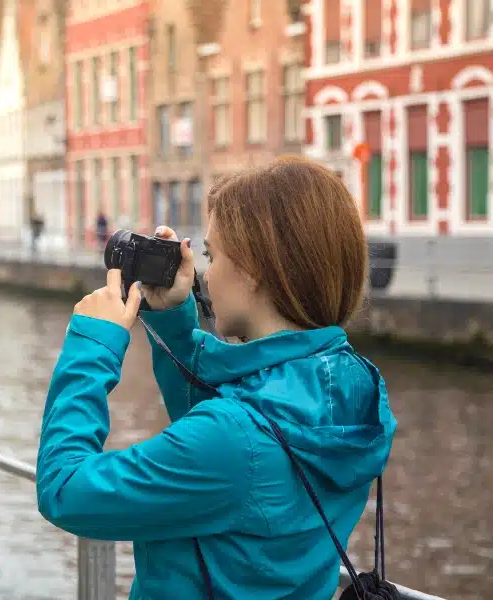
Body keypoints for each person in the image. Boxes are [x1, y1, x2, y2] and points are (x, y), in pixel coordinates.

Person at [36, 156, 397, 599]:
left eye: (212, 254)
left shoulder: (233, 439)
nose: (206, 274)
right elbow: (227, 448)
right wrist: (172, 320)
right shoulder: (354, 388)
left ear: (253, 271)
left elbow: (64, 489)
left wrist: (92, 346)